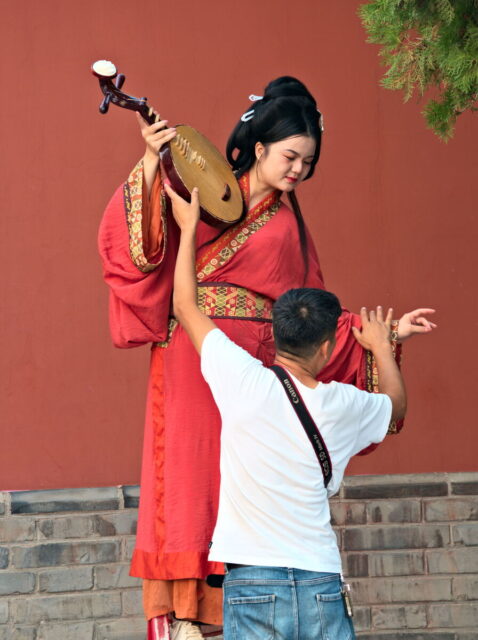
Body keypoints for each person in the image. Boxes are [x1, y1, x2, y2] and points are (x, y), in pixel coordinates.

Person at [98, 76, 435, 639]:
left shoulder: (289, 227)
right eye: (290, 156)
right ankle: (183, 618)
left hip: (254, 363)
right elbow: (145, 242)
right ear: (259, 148)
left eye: (308, 161)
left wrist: (386, 333)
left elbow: (312, 311)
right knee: (190, 478)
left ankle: (233, 607)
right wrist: (154, 161)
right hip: (194, 349)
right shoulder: (207, 184)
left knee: (243, 477)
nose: (298, 170)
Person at [167, 183, 407, 639]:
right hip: (319, 578)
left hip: (251, 579)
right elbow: (395, 412)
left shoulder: (242, 381)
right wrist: (381, 349)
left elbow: (184, 306)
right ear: (326, 346)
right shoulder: (342, 402)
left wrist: (190, 228)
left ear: (275, 334)